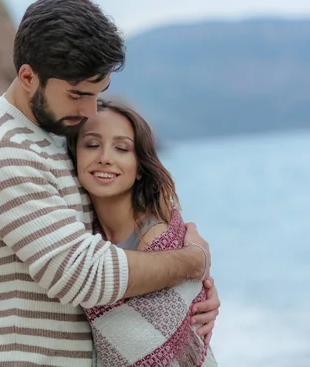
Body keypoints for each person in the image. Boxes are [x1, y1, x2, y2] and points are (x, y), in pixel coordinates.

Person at [0, 0, 220, 367]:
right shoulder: (2, 152)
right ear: (28, 76)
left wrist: (192, 290)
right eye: (78, 94)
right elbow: (85, 275)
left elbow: (131, 213)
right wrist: (193, 263)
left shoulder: (57, 131)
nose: (90, 109)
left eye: (98, 93)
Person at [67, 99, 218, 366]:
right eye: (91, 144)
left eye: (122, 148)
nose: (105, 157)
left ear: (139, 168)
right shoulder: (80, 235)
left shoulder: (162, 239)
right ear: (74, 156)